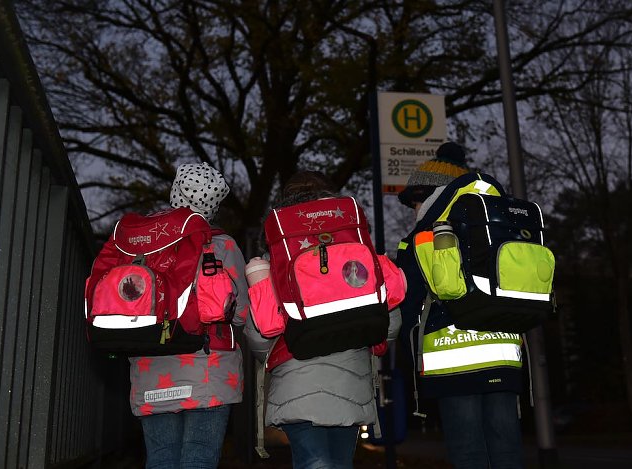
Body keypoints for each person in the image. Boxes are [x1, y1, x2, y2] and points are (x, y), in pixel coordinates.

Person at [245, 170, 405, 469]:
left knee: (313, 464)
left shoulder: (273, 262)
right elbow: (391, 323)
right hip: (351, 383)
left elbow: (259, 337)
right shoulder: (358, 254)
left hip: (296, 387)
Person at [396, 142, 526, 469]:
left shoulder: (423, 238)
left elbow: (408, 306)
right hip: (504, 358)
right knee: (508, 447)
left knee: (468, 452)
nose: (414, 208)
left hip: (454, 360)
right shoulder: (500, 230)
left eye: (417, 200)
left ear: (433, 195)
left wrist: (406, 355)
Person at [127, 162, 249, 469]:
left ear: (174, 192)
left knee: (160, 460)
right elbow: (241, 313)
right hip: (209, 371)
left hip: (151, 367)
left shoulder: (138, 246)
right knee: (199, 459)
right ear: (215, 205)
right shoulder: (222, 246)